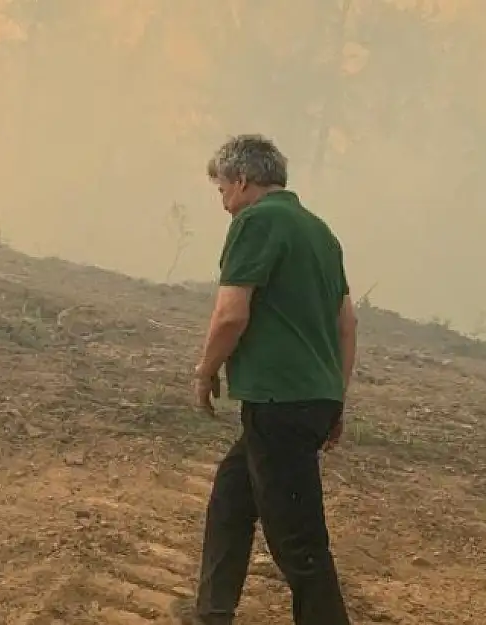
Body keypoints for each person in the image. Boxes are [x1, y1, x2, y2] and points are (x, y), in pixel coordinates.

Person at [176, 134, 358, 624]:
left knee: (300, 546)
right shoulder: (320, 232)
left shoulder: (255, 221)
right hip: (309, 399)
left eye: (221, 190)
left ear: (241, 181)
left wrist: (206, 369)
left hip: (279, 403)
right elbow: (347, 325)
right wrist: (334, 398)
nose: (222, 203)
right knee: (232, 499)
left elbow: (231, 315)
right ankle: (211, 614)